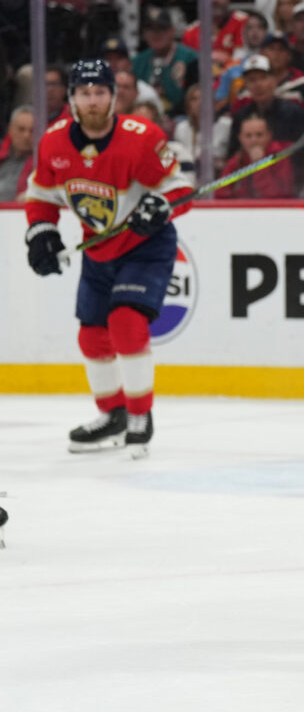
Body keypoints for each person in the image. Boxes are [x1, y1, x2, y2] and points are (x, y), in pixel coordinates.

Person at [23, 59, 193, 458]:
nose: (93, 101)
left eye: (101, 92)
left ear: (114, 97)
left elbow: (180, 188)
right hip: (98, 247)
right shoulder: (53, 141)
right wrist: (41, 231)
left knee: (126, 322)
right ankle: (112, 414)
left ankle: (139, 416)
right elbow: (42, 195)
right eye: (85, 93)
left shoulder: (140, 137)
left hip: (145, 246)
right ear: (72, 98)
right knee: (92, 336)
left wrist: (162, 206)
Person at [131, 7, 199, 117]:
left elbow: (193, 97)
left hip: (181, 117)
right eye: (151, 30)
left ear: (172, 30)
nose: (156, 34)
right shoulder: (137, 62)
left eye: (161, 29)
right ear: (144, 34)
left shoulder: (190, 59)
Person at [0, 103, 34, 201]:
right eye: (21, 129)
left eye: (32, 130)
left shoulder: (42, 162)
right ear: (10, 129)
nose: (26, 135)